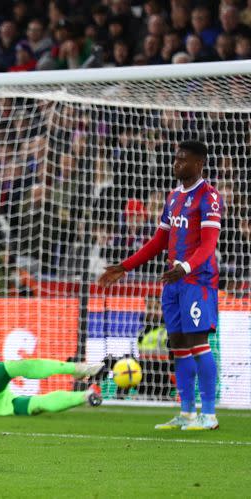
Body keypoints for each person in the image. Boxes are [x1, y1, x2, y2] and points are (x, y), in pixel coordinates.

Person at [98, 140, 222, 431]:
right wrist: (125, 266)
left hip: (197, 281)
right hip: (174, 281)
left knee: (198, 344)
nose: (176, 163)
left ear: (199, 163)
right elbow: (159, 241)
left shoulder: (209, 196)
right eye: (175, 158)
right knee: (177, 346)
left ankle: (210, 414)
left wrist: (186, 267)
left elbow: (208, 245)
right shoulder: (173, 197)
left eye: (183, 160)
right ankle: (187, 413)